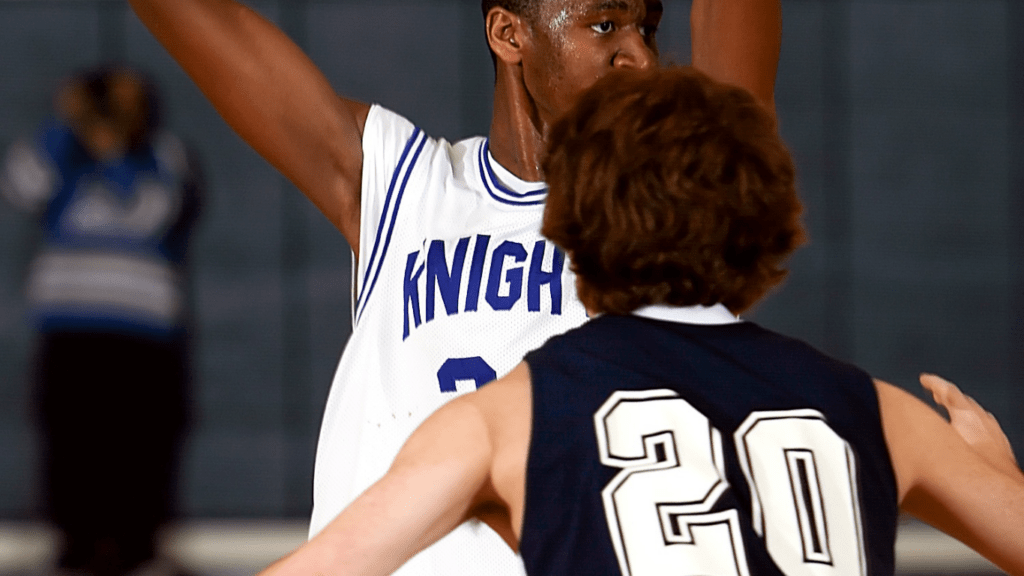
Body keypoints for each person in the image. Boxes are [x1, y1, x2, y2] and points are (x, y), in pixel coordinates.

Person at [254, 66, 1024, 576]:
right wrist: (1004, 479)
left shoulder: (505, 420)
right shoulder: (881, 414)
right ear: (768, 216)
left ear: (573, 227)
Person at [127, 0, 781, 573]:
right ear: (508, 34)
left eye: (648, 28)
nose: (638, 54)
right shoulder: (403, 187)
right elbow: (201, 22)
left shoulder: (678, 212)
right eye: (605, 24)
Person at [0, 65, 202, 576]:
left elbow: (159, 209)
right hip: (70, 331)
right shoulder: (61, 154)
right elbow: (20, 184)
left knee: (140, 444)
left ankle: (138, 549)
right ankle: (74, 547)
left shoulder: (164, 156)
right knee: (70, 441)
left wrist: (116, 148)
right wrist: (68, 124)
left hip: (144, 336)